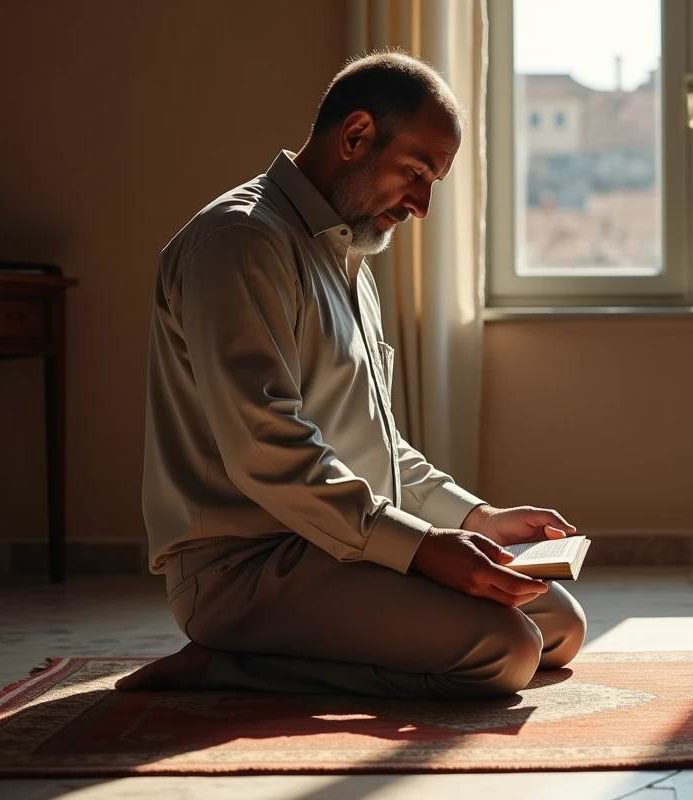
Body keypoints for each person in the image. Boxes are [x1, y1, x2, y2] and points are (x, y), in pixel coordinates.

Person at [119, 52, 586, 699]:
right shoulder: (240, 242)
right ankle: (223, 665)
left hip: (341, 547)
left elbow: (378, 445)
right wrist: (423, 549)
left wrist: (477, 520)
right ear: (357, 136)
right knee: (505, 651)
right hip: (248, 567)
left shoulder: (344, 254)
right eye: (417, 173)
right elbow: (266, 448)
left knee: (560, 625)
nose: (421, 205)